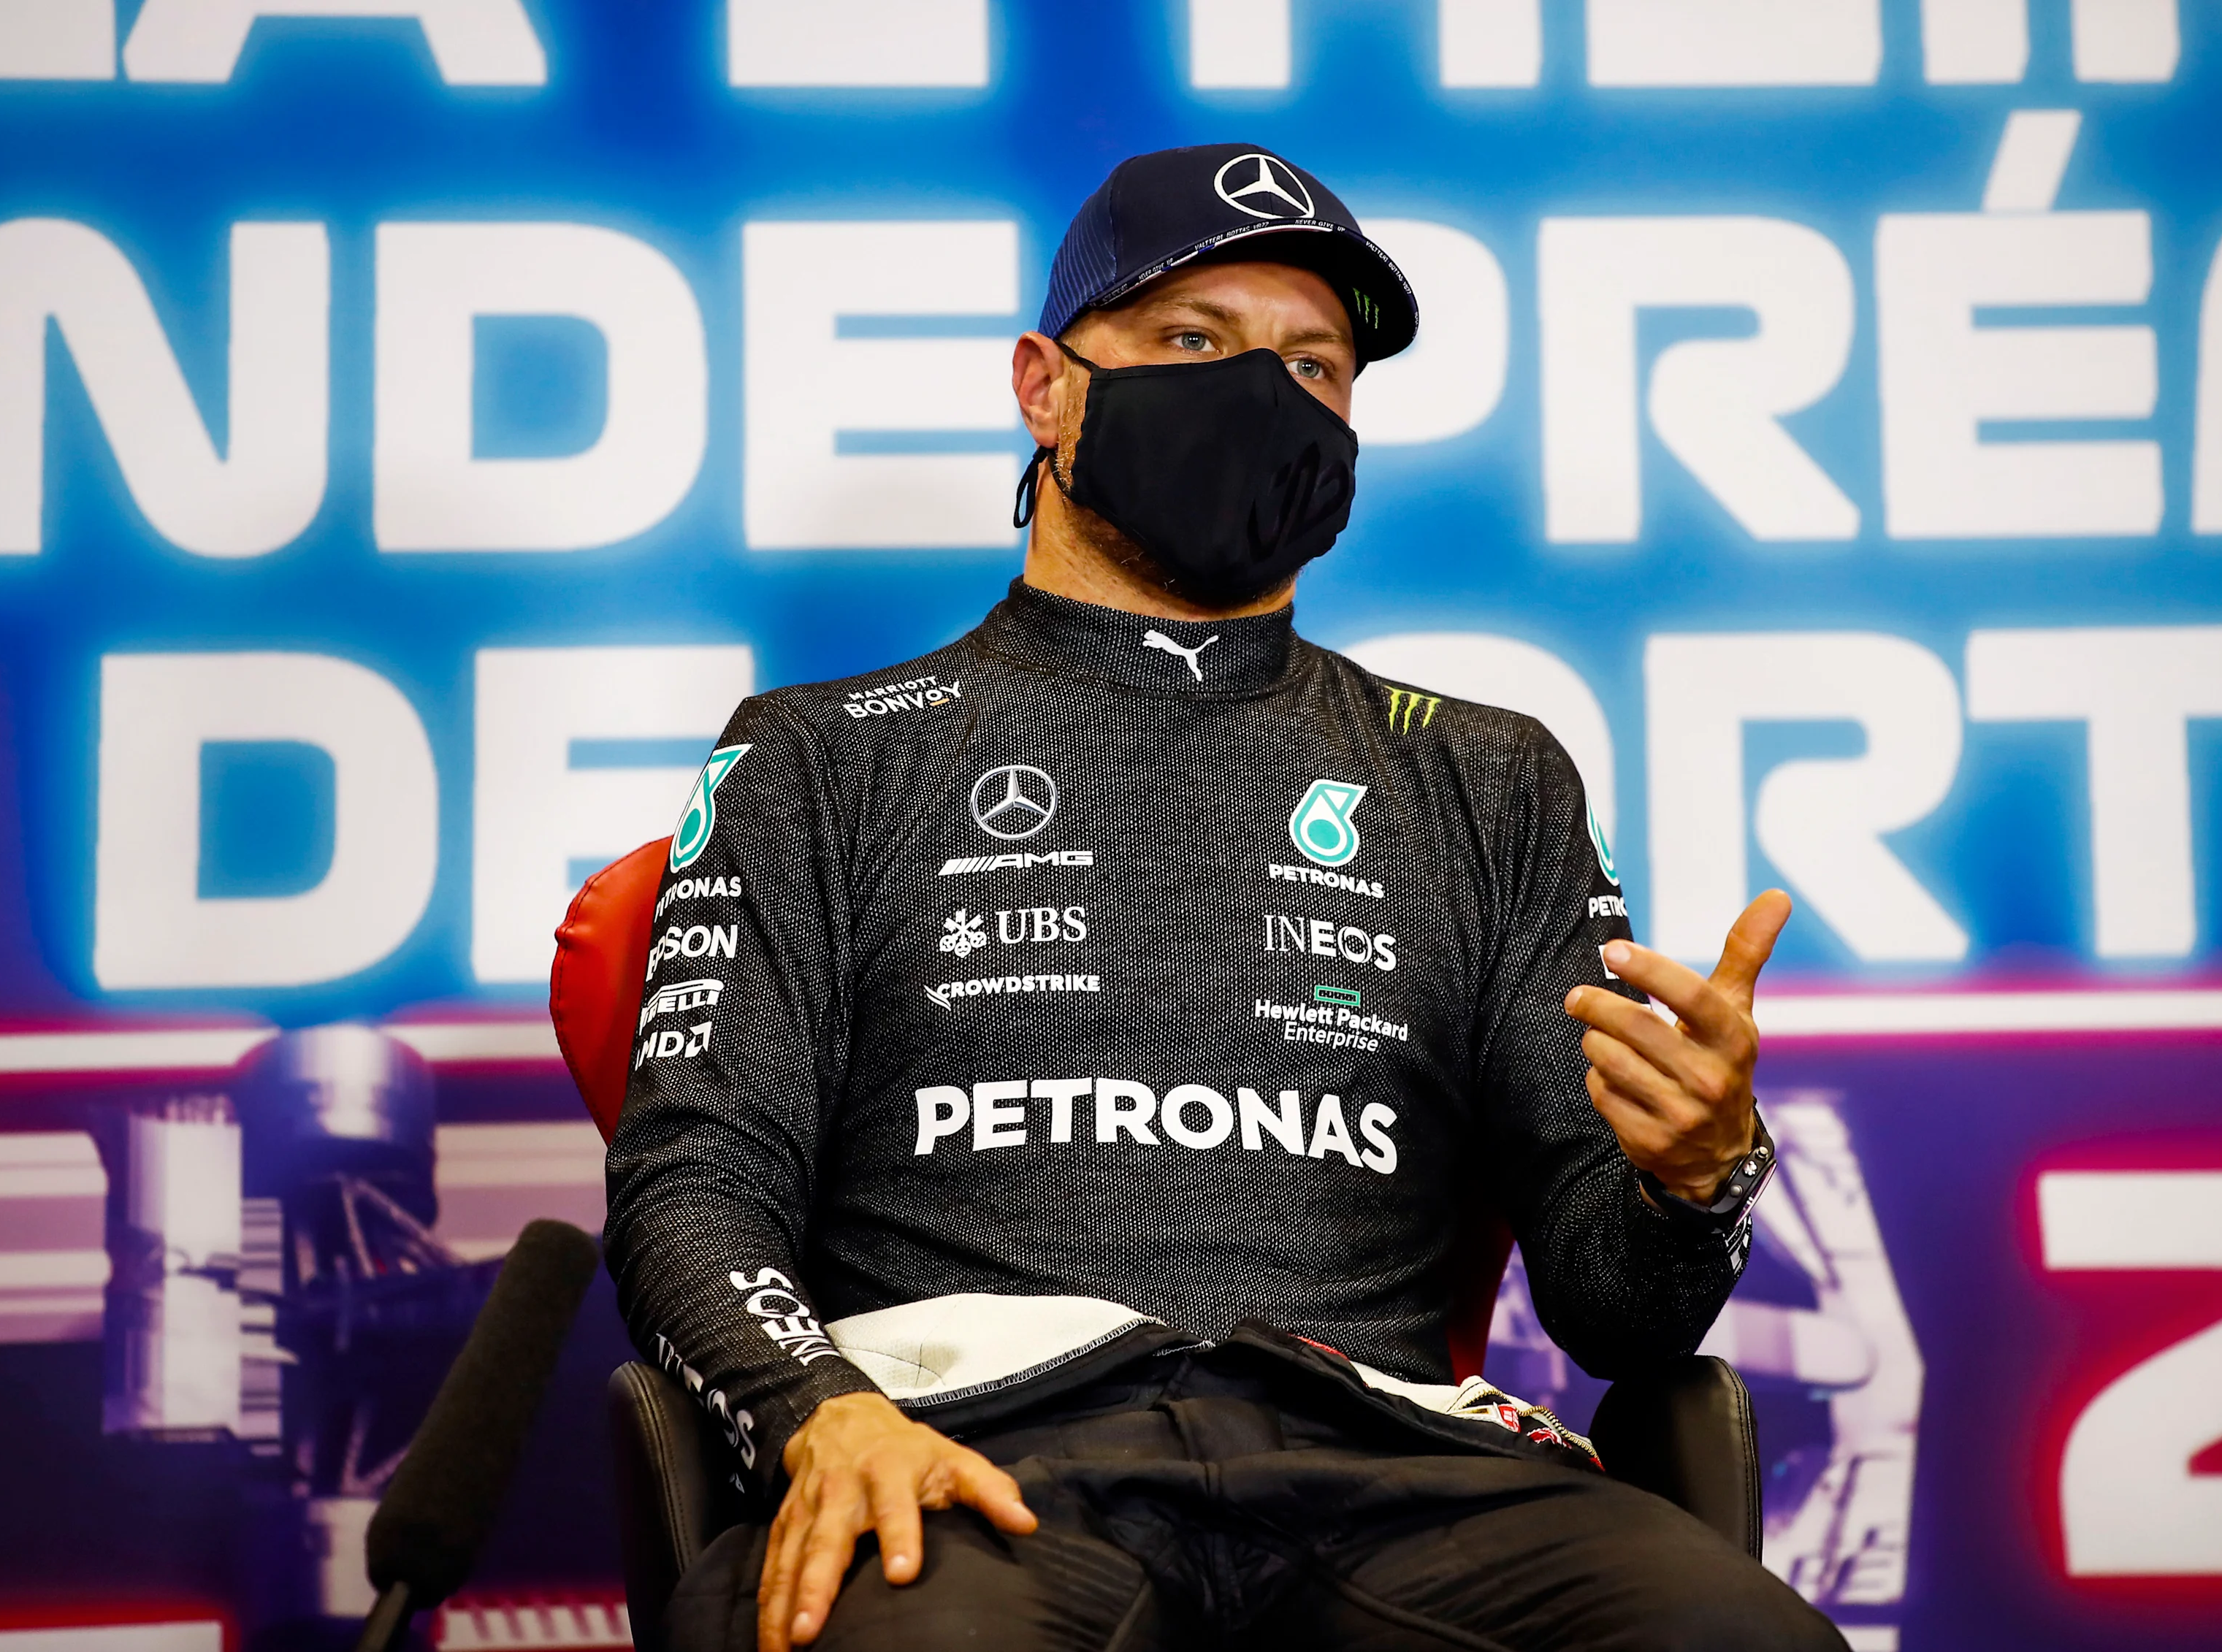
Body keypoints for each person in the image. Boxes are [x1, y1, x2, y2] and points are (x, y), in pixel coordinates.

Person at [606, 142, 1839, 1652]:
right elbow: (694, 1182)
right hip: (969, 1461)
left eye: (1313, 366)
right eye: (1193, 340)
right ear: (1045, 387)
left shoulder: (1488, 775)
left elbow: (1617, 1314)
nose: (1262, 393)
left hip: (1400, 1469)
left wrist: (1696, 1177)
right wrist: (816, 1410)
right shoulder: (821, 755)